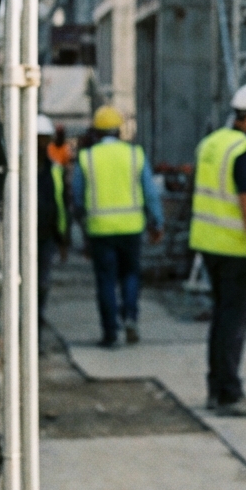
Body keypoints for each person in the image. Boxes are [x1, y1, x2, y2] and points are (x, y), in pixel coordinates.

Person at [188, 81, 246, 417]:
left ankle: (217, 388)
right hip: (238, 251)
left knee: (221, 320)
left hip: (209, 246)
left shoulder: (211, 144)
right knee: (234, 323)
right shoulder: (245, 153)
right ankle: (228, 393)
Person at [72, 105, 164, 348]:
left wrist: (81, 228)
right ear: (119, 131)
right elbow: (150, 192)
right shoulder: (135, 155)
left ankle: (110, 332)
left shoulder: (86, 157)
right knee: (131, 275)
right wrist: (157, 222)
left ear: (96, 131)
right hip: (131, 228)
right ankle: (131, 317)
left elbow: (77, 197)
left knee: (105, 281)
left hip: (99, 229)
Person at [36, 113, 69, 325]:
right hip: (21, 235)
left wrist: (63, 238)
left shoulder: (55, 170)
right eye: (39, 137)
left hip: (47, 236)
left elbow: (62, 205)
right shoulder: (16, 168)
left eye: (45, 137)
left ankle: (37, 318)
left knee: (42, 282)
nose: (42, 142)